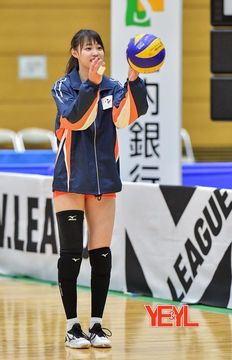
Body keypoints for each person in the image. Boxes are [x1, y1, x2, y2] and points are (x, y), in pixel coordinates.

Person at [51, 29, 148, 349]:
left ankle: (95, 324)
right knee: (70, 255)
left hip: (104, 179)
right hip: (70, 179)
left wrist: (134, 79)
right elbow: (77, 120)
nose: (95, 52)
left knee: (101, 252)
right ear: (75, 53)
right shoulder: (64, 87)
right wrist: (91, 83)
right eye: (87, 47)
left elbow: (128, 116)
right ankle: (71, 326)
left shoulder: (114, 87)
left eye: (98, 47)